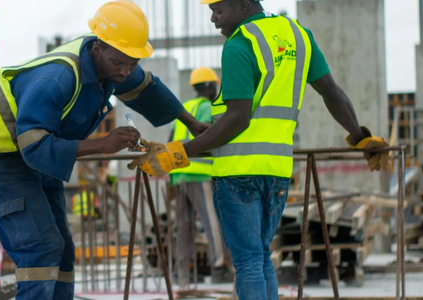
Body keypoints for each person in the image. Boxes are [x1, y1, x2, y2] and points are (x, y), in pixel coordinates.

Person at [131, 1, 391, 299]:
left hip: (238, 173)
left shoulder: (239, 44)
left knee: (249, 263)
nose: (214, 19)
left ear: (242, 4)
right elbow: (332, 92)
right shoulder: (299, 35)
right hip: (278, 171)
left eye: (218, 9)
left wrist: (177, 153)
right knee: (261, 256)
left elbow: (237, 120)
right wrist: (359, 137)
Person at [0, 1, 201, 298]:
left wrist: (193, 124)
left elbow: (147, 88)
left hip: (41, 147)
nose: (125, 72)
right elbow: (34, 147)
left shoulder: (114, 61)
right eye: (119, 64)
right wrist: (103, 144)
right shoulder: (55, 79)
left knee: (62, 249)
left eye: (133, 63)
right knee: (41, 247)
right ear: (97, 48)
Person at [168, 67, 230, 283]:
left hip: (179, 175)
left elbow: (170, 138)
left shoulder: (184, 108)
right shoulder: (208, 108)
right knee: (211, 220)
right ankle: (218, 268)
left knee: (184, 225)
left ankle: (183, 271)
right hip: (199, 173)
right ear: (211, 86)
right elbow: (216, 135)